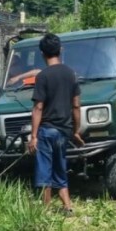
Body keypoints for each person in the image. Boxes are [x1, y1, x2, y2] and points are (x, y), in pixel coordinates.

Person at [26, 32, 84, 215]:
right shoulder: (71, 74)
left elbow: (38, 108)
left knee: (45, 171)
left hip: (46, 130)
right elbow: (76, 105)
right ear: (60, 50)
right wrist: (76, 131)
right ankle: (68, 206)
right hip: (63, 132)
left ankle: (46, 210)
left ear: (42, 54)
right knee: (60, 168)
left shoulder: (43, 76)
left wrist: (33, 136)